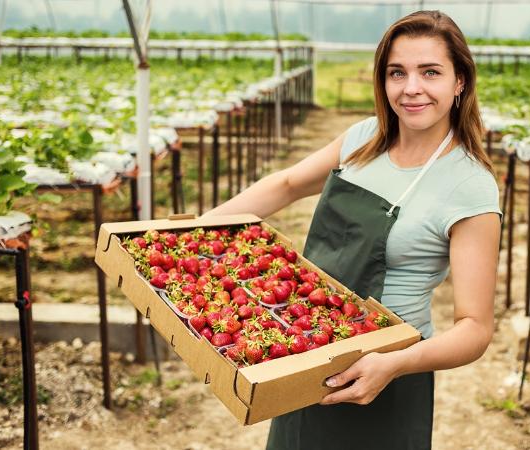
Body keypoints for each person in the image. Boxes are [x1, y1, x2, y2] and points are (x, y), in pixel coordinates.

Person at [205, 10, 501, 450]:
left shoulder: (469, 185)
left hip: (384, 374)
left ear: (460, 81)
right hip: (305, 351)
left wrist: (394, 364)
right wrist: (197, 231)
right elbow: (287, 184)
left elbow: (475, 328)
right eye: (397, 72)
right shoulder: (365, 138)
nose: (411, 87)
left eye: (430, 72)